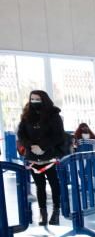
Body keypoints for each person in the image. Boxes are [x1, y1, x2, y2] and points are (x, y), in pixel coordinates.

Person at [16, 90, 66, 226]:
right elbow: (21, 133)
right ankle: (42, 213)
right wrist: (31, 146)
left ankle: (56, 212)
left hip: (49, 156)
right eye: (32, 99)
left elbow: (58, 135)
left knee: (54, 183)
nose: (34, 101)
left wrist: (42, 147)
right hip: (33, 156)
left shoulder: (54, 115)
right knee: (39, 186)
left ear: (44, 99)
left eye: (37, 99)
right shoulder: (26, 115)